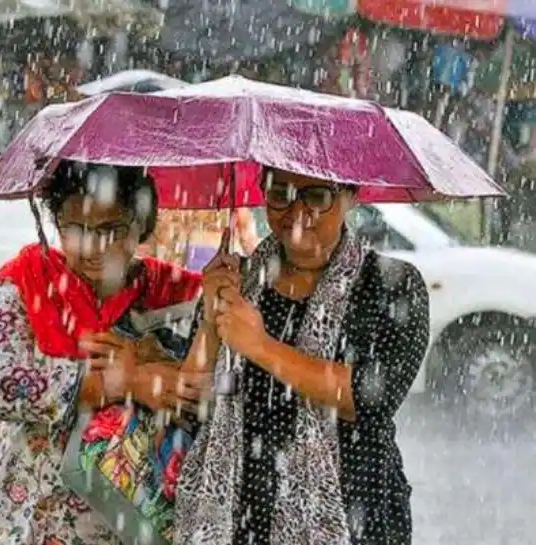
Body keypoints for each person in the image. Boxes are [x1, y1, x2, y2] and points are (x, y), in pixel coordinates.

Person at [175, 170, 431, 545]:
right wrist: (211, 322)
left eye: (315, 196)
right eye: (281, 193)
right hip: (243, 518)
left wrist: (260, 346)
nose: (296, 210)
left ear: (350, 195)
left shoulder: (392, 285)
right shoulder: (238, 281)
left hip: (354, 516)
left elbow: (368, 398)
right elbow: (190, 396)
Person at [0, 162, 208, 545]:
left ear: (140, 225)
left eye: (110, 230)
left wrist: (155, 363)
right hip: (29, 513)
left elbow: (209, 383)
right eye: (74, 228)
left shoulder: (169, 293)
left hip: (124, 519)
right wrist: (118, 383)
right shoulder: (26, 282)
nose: (91, 246)